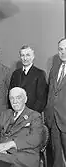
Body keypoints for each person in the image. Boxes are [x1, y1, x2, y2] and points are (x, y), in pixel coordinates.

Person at [0, 87, 44, 167]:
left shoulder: (35, 116)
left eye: (18, 98)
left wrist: (12, 144)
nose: (15, 101)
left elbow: (36, 138)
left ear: (25, 99)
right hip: (4, 154)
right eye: (12, 98)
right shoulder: (6, 114)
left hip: (24, 156)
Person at [45, 38, 66, 167]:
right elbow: (51, 93)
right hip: (53, 120)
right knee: (56, 157)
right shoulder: (54, 69)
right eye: (61, 49)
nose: (63, 52)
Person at [9, 45, 48, 113]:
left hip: (32, 115)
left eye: (28, 55)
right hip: (16, 114)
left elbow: (42, 100)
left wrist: (31, 115)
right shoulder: (15, 74)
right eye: (22, 55)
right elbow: (11, 95)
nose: (25, 58)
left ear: (33, 57)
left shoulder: (40, 74)